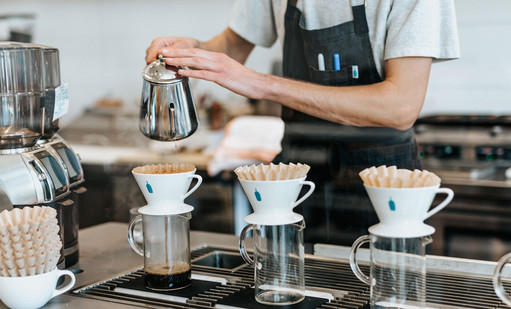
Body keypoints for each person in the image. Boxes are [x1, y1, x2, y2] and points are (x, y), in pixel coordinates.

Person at [146, 0, 460, 245]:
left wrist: (263, 85)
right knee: (291, 283)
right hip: (298, 173)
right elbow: (233, 45)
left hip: (382, 180)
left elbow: (400, 106)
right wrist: (194, 51)